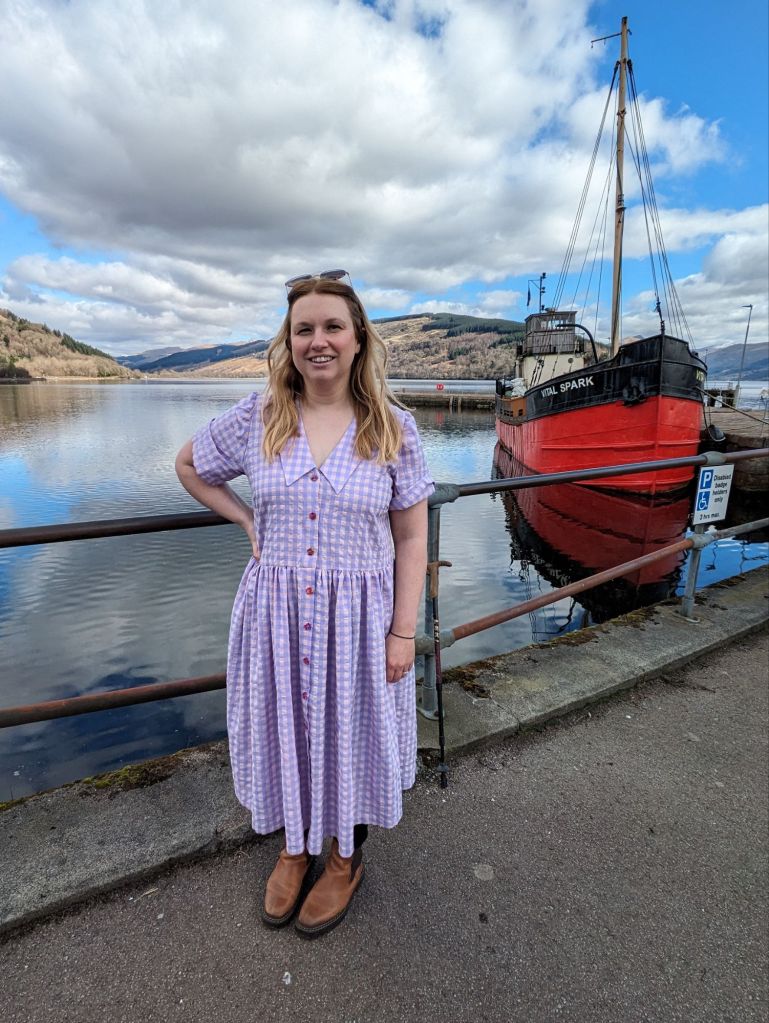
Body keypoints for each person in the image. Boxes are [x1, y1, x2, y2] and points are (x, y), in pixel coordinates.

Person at [175, 270, 433, 938]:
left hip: (360, 620)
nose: (318, 340)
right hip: (278, 615)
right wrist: (244, 518)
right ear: (288, 341)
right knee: (286, 725)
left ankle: (344, 859)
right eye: (303, 329)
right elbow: (189, 466)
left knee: (352, 732)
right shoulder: (259, 415)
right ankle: (294, 847)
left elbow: (412, 537)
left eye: (332, 327)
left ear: (357, 338)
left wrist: (403, 631)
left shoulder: (394, 428)